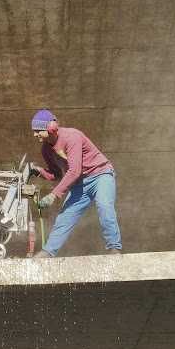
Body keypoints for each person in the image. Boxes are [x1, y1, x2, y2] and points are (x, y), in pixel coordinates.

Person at [30, 109, 122, 257]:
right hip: (80, 183)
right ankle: (47, 252)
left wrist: (54, 195)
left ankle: (114, 248)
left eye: (38, 130)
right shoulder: (46, 149)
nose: (35, 134)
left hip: (101, 174)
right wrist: (40, 171)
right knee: (65, 216)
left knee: (104, 205)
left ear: (51, 128)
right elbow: (57, 174)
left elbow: (74, 170)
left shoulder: (72, 136)